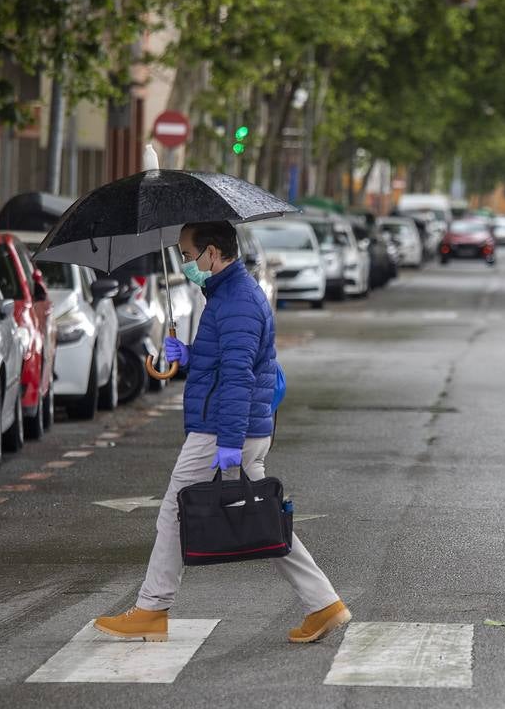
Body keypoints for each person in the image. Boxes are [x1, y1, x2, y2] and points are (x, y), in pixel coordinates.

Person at [94, 220, 350, 644]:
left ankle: (151, 610)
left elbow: (237, 377)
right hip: (231, 424)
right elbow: (226, 363)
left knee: (177, 511)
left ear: (213, 253)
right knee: (263, 518)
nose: (185, 263)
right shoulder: (227, 295)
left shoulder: (236, 301)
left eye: (188, 255)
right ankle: (323, 604)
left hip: (223, 428)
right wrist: (189, 355)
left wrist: (228, 444)